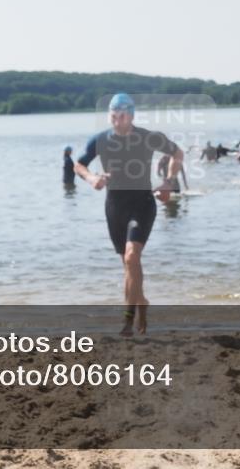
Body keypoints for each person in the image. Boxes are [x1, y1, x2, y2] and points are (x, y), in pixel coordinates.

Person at [74, 93, 183, 337]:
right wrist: (92, 177)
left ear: (131, 115)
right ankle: (141, 301)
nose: (117, 120)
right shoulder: (100, 140)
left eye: (121, 115)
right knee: (128, 263)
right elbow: (78, 165)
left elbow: (178, 154)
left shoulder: (148, 137)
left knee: (132, 257)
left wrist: (168, 181)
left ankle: (127, 319)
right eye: (113, 115)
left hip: (142, 203)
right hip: (115, 207)